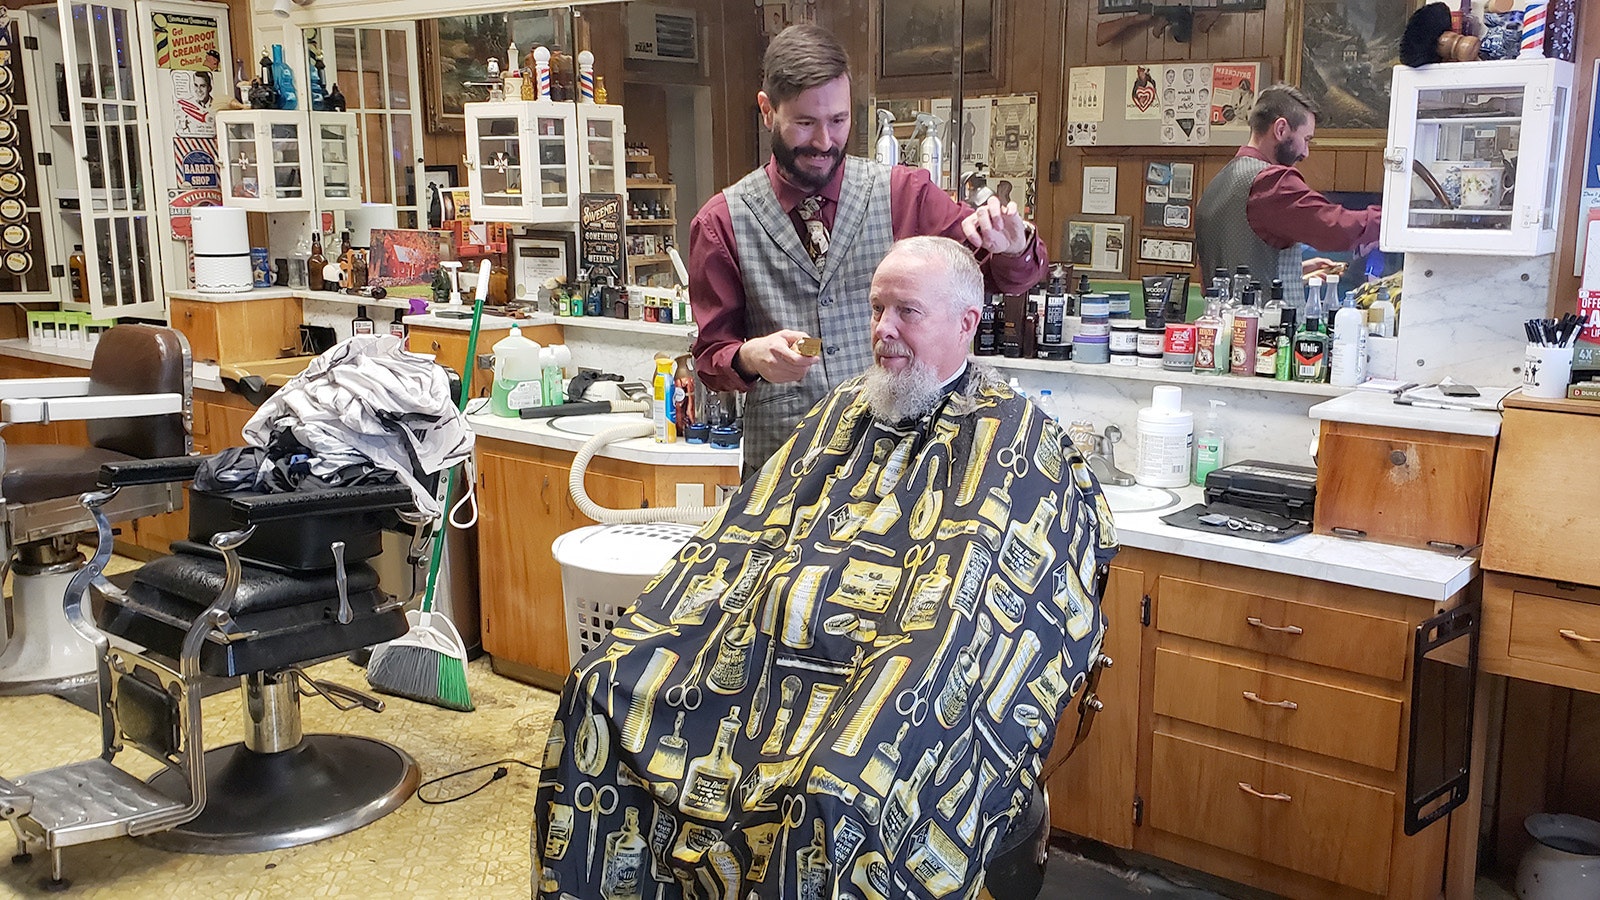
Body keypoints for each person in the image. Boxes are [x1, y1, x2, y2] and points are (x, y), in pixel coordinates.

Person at [532, 237, 1117, 899]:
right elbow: (745, 537)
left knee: (838, 787)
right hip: (759, 664)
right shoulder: (844, 411)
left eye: (907, 313)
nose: (883, 331)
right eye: (876, 310)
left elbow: (993, 608)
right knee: (599, 690)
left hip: (884, 680)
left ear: (965, 324)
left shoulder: (1016, 437)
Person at [688, 24, 1047, 478]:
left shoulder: (904, 194)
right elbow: (711, 357)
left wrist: (1012, 247)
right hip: (783, 471)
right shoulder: (722, 222)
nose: (824, 141)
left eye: (838, 121)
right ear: (766, 110)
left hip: (902, 467)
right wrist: (750, 357)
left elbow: (993, 279)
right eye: (804, 122)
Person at [1194, 83, 1380, 308]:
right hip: (1262, 335)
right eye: (1306, 139)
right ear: (1281, 129)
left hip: (1217, 328)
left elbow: (1231, 272)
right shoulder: (1271, 183)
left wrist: (1295, 273)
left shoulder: (1219, 183)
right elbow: (1334, 226)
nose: (1305, 152)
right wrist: (1391, 221)